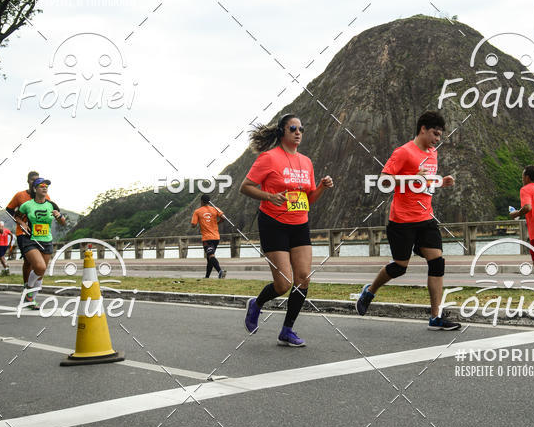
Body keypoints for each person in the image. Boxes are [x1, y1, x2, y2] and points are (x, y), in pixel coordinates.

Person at [356, 110, 461, 330]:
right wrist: (412, 177)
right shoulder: (403, 152)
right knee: (399, 267)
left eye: (440, 135)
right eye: (434, 133)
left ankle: (435, 317)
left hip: (425, 218)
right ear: (423, 129)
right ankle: (370, 291)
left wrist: (442, 182)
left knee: (437, 262)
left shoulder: (433, 154)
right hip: (402, 220)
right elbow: (383, 181)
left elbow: (426, 183)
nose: (437, 139)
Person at [240, 113, 333, 347]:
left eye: (301, 128)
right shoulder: (269, 158)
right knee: (283, 284)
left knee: (303, 279)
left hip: (300, 223)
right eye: (293, 128)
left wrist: (321, 186)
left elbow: (309, 200)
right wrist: (270, 196)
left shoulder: (306, 162)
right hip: (273, 224)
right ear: (283, 131)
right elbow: (246, 187)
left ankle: (287, 330)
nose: (298, 132)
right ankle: (257, 304)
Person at [13, 177, 66, 309]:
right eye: (41, 185)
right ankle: (28, 289)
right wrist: (23, 223)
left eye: (46, 186)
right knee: (40, 267)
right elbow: (17, 216)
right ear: (35, 189)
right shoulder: (27, 205)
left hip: (47, 241)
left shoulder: (51, 205)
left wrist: (59, 217)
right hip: (30, 240)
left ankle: (31, 300)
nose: (44, 187)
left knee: (40, 273)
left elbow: (63, 222)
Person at [6, 170, 61, 292]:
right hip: (24, 233)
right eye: (32, 179)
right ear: (28, 181)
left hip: (42, 235)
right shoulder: (20, 195)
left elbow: (49, 211)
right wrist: (22, 223)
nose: (35, 181)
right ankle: (27, 285)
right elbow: (9, 211)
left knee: (39, 266)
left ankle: (30, 291)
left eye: (37, 179)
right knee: (28, 261)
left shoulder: (46, 197)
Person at [191, 195, 227, 278]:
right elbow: (223, 218)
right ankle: (207, 277)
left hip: (207, 238)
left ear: (201, 201)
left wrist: (196, 223)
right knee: (209, 258)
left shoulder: (197, 211)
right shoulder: (215, 209)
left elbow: (193, 224)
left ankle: (220, 271)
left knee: (211, 255)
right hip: (216, 237)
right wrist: (217, 222)